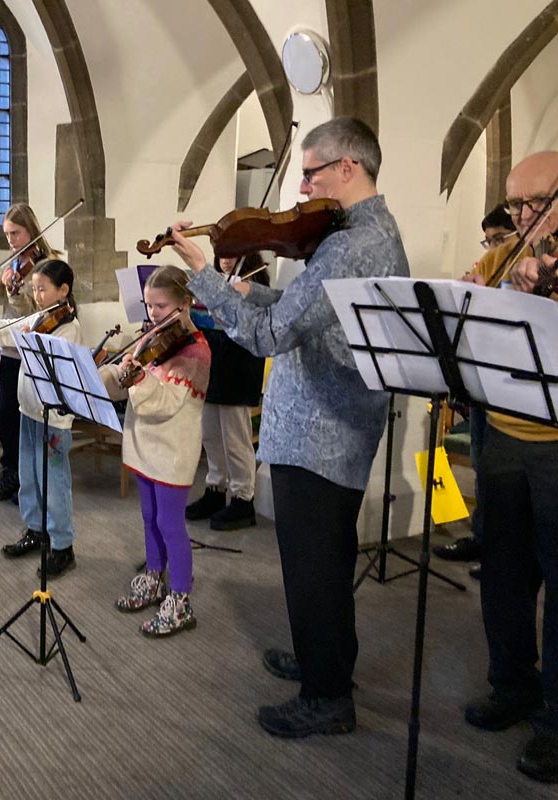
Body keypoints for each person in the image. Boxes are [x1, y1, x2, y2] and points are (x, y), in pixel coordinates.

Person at [169, 117, 410, 737]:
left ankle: (327, 697)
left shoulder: (354, 245)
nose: (302, 188)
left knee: (315, 567)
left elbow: (272, 337)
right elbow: (295, 312)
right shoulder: (354, 234)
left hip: (324, 433)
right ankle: (322, 661)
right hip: (324, 428)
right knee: (319, 563)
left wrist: (202, 279)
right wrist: (229, 287)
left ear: (348, 168)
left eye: (311, 172)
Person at [462, 151, 558, 784]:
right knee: (504, 578)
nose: (522, 217)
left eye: (537, 203)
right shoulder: (502, 256)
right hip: (503, 435)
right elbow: (465, 324)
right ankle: (513, 684)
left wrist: (556, 301)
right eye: (515, 204)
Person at [101, 265, 211, 637]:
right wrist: (105, 374)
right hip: (144, 446)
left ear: (185, 303)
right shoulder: (154, 338)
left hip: (173, 450)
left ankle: (180, 598)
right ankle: (154, 576)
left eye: (161, 306)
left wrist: (138, 375)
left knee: (170, 524)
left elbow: (161, 403)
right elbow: (126, 384)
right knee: (149, 517)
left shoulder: (195, 352)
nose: (153, 314)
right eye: (149, 305)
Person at [0, 259, 83, 576]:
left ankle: (62, 545)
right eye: (35, 289)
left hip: (53, 419)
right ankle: (36, 530)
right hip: (28, 410)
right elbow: (11, 329)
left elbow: (56, 363)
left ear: (63, 290)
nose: (37, 295)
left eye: (43, 289)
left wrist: (31, 337)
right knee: (28, 476)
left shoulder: (69, 327)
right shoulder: (41, 317)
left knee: (54, 482)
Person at [434, 204, 517, 578]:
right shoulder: (490, 264)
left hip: (515, 393)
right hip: (484, 385)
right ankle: (483, 538)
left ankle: (504, 550)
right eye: (489, 240)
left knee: (507, 479)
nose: (492, 247)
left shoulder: (527, 265)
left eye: (500, 239)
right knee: (485, 469)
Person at [0, 203, 57, 504]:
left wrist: (16, 292)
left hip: (31, 351)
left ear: (31, 230)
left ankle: (24, 477)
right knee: (6, 413)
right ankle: (12, 472)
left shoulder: (47, 266)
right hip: (10, 349)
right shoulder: (17, 262)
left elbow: (34, 314)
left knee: (23, 416)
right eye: (7, 234)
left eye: (16, 233)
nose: (10, 240)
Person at [185, 252, 269, 530]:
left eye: (233, 253)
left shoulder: (255, 286)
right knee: (210, 434)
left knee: (235, 439)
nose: (226, 260)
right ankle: (215, 489)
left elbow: (256, 327)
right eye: (222, 253)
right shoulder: (213, 281)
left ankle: (243, 499)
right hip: (213, 364)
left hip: (239, 367)